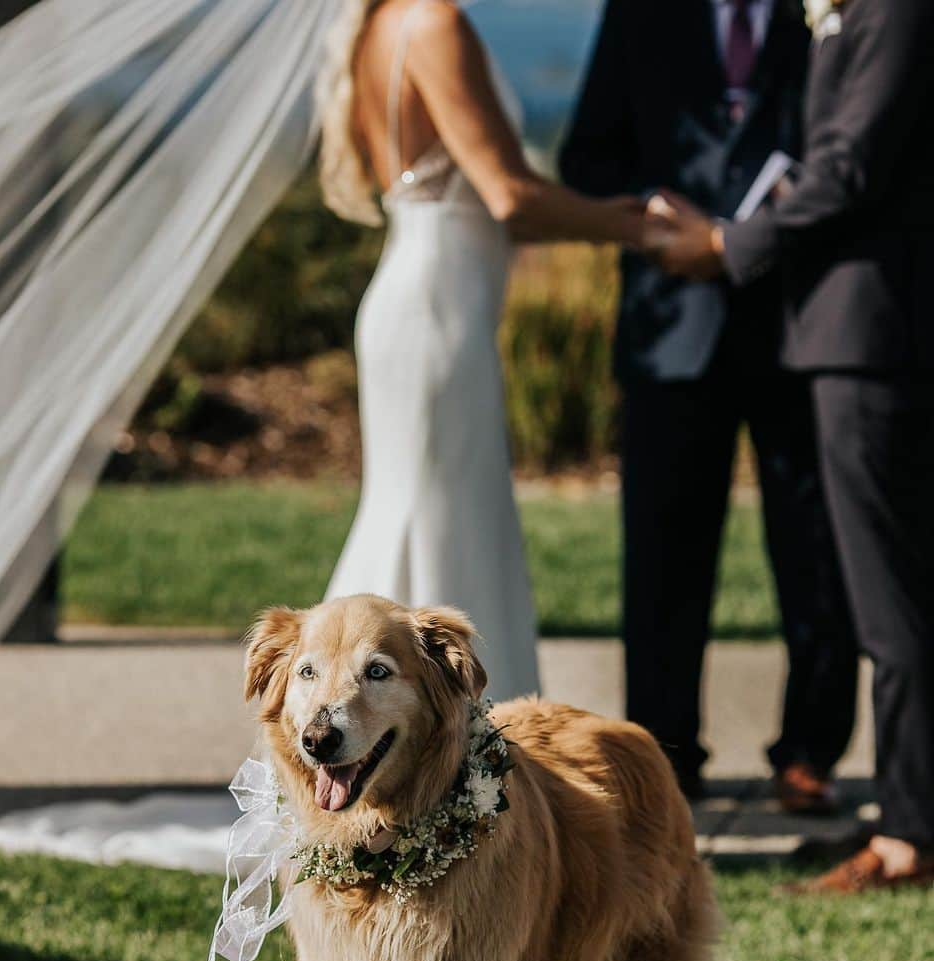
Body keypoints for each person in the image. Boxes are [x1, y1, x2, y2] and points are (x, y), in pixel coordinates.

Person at [650, 0, 934, 891]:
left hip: (871, 335)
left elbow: (850, 168)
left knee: (891, 602)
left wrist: (731, 242)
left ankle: (908, 837)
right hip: (853, 334)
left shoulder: (893, 12)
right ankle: (908, 809)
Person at [558, 0, 857, 805]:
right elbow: (586, 156)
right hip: (672, 331)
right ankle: (665, 763)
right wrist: (659, 212)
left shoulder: (820, 18)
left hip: (796, 322)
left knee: (816, 551)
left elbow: (847, 153)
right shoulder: (640, 15)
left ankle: (809, 754)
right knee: (662, 560)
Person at [318, 0, 645, 701]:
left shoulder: (382, 24)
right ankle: (451, 760)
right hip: (437, 310)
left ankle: (394, 744)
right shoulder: (433, 22)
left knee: (428, 517)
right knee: (442, 529)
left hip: (420, 299)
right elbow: (510, 196)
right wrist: (637, 223)